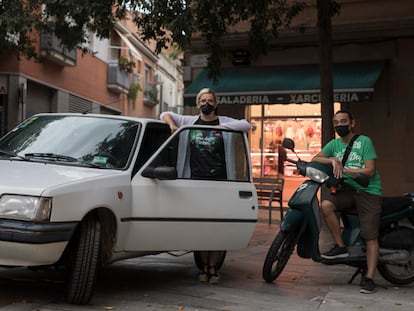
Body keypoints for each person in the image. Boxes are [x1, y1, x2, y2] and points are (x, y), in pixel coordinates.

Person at [160, 87, 250, 284]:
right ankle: (203, 267)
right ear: (198, 104)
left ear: (215, 103)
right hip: (195, 182)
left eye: (209, 100)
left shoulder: (223, 121)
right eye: (202, 101)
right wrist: (173, 127)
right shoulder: (189, 122)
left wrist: (223, 129)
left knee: (217, 228)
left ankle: (212, 267)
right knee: (201, 228)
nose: (206, 104)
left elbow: (246, 125)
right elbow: (164, 114)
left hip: (220, 182)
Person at [312, 110, 382, 294]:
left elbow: (370, 171)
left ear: (352, 123)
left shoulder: (364, 141)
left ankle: (369, 277)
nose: (339, 125)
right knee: (325, 205)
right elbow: (315, 158)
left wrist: (345, 170)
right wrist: (332, 159)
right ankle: (341, 246)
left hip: (368, 191)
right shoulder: (334, 144)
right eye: (336, 122)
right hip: (349, 192)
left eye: (343, 121)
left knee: (370, 235)